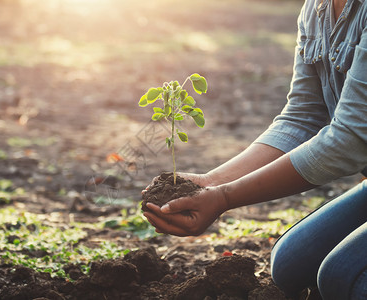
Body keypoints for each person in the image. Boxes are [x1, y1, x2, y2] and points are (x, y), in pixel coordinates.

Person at [142, 0, 367, 298]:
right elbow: (303, 117)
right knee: (291, 264)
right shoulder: (316, 9)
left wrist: (223, 198)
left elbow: (350, 139)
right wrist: (211, 183)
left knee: (341, 278)